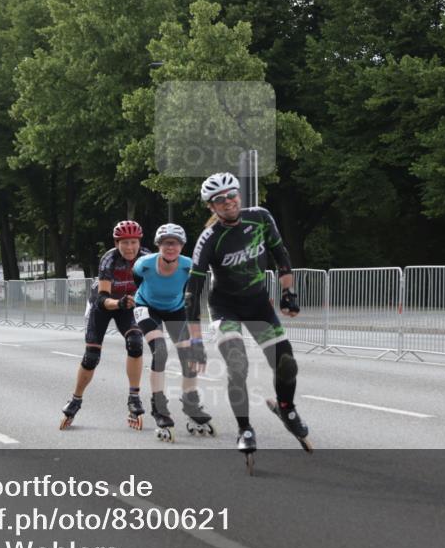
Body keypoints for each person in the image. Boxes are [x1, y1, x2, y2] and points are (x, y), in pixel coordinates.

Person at [184, 172, 310, 472]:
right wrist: (196, 342)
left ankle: (286, 408)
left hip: (257, 306)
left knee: (287, 364)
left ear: (239, 195)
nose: (227, 203)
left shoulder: (261, 217)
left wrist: (289, 291)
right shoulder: (209, 239)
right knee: (238, 365)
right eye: (219, 200)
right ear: (210, 207)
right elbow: (193, 292)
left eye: (231, 196)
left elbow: (281, 255)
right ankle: (244, 429)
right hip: (225, 308)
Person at [60, 221, 150, 430]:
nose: (130, 247)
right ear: (117, 243)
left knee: (135, 342)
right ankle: (76, 399)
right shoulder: (109, 259)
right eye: (125, 243)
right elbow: (102, 299)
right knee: (91, 356)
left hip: (128, 304)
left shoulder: (147, 258)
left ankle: (134, 397)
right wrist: (118, 303)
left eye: (134, 242)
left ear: (139, 242)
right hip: (103, 305)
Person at [132, 223, 214, 442]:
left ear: (182, 246)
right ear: (159, 245)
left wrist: (197, 339)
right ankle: (159, 408)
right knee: (160, 351)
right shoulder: (145, 264)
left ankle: (191, 404)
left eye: (176, 244)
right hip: (146, 306)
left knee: (189, 356)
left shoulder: (189, 266)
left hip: (175, 309)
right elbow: (137, 281)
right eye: (167, 243)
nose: (171, 248)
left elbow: (193, 300)